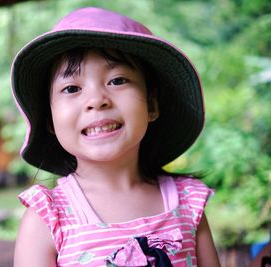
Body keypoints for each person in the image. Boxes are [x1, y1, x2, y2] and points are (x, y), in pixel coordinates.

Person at [11, 6, 220, 267]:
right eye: (72, 87)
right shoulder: (47, 218)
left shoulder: (188, 203)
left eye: (118, 80)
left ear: (152, 105)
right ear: (50, 120)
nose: (97, 100)